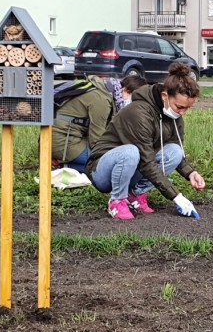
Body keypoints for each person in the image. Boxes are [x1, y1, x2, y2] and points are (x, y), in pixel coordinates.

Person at [85, 63, 205, 220]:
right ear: (164, 96)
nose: (182, 112)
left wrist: (191, 173)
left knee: (174, 151)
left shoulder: (174, 115)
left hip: (133, 166)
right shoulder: (138, 112)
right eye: (179, 106)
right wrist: (177, 197)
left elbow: (176, 150)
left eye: (186, 108)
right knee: (130, 152)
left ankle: (135, 195)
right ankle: (117, 200)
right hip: (102, 170)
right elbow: (147, 161)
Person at [51, 75, 147, 173]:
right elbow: (96, 141)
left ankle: (65, 165)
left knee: (112, 157)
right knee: (110, 162)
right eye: (134, 99)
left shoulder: (107, 91)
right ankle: (65, 167)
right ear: (125, 90)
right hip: (61, 140)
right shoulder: (102, 101)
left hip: (67, 136)